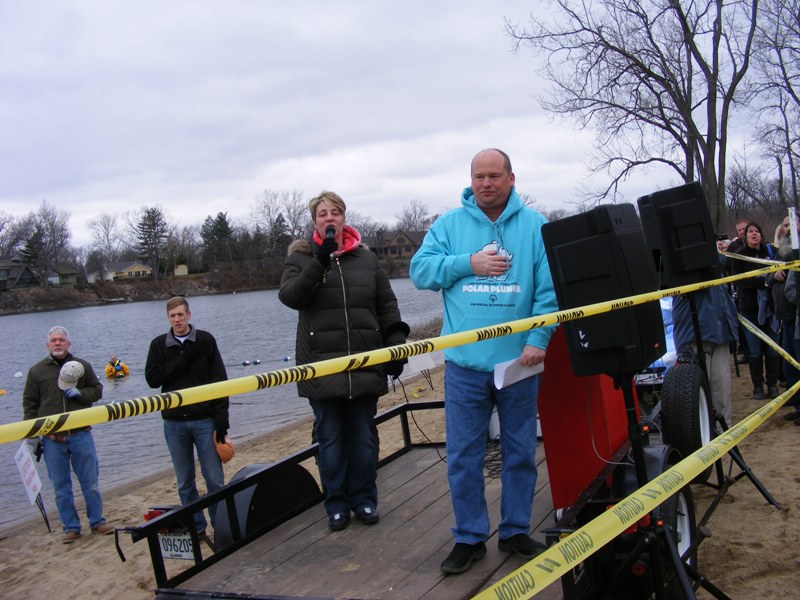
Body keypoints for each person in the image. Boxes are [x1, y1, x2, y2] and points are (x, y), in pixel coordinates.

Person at [409, 148, 558, 574]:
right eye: (479, 176)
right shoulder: (449, 225)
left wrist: (539, 338)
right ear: (471, 180)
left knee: (520, 452)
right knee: (463, 457)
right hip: (464, 366)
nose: (486, 183)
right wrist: (467, 263)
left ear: (511, 178)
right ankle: (470, 537)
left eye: (494, 175)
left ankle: (514, 530)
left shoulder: (535, 226)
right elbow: (420, 272)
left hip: (519, 364)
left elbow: (550, 290)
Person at [279, 191, 408, 532]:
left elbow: (387, 305)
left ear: (344, 217)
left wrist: (395, 345)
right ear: (315, 221)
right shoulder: (301, 259)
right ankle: (336, 504)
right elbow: (291, 297)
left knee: (364, 439)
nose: (330, 218)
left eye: (335, 212)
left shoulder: (366, 259)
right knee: (332, 440)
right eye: (323, 213)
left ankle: (365, 499)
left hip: (365, 365)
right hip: (322, 368)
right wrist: (319, 260)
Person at [145, 296, 230, 534]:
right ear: (168, 318)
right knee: (184, 482)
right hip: (174, 423)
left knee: (214, 479)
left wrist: (222, 421)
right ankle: (197, 528)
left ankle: (221, 527)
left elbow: (220, 380)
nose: (177, 320)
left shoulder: (205, 340)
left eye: (180, 315)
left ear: (189, 315)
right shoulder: (158, 345)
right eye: (172, 316)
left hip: (205, 420)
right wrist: (184, 359)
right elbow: (153, 379)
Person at [22, 325, 113, 543]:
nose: (57, 343)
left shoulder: (82, 366)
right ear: (47, 344)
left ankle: (97, 521)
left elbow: (97, 390)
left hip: (81, 434)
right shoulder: (36, 372)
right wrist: (32, 435)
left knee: (90, 483)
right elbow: (30, 404)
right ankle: (71, 527)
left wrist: (80, 393)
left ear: (68, 343)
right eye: (53, 340)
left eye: (61, 340)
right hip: (52, 440)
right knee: (61, 488)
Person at [672, 285, 739, 426]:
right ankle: (703, 433)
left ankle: (723, 431)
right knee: (697, 393)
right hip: (694, 331)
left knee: (721, 387)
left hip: (721, 330)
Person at [730, 222, 780, 400]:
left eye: (756, 231)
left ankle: (772, 384)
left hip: (770, 309)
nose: (754, 234)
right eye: (750, 231)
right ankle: (757, 386)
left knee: (773, 350)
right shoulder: (740, 256)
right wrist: (765, 280)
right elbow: (741, 281)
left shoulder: (770, 252)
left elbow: (779, 273)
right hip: (749, 310)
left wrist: (769, 279)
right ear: (745, 236)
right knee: (755, 351)